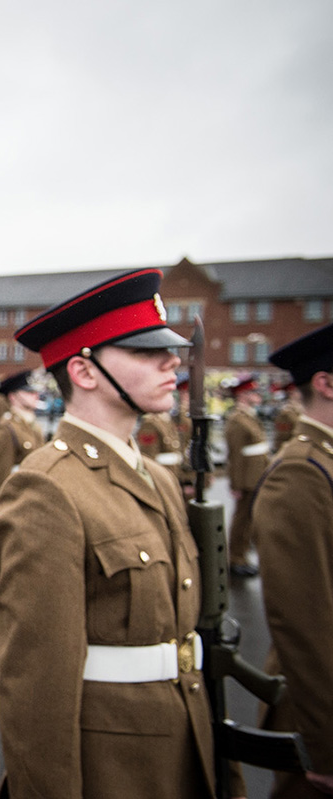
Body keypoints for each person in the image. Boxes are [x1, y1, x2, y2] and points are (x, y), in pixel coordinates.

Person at [0, 268, 235, 798]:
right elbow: (36, 692)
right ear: (85, 370)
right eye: (145, 351)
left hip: (183, 740)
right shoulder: (46, 490)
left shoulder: (161, 479)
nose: (172, 361)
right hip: (114, 765)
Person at [251, 322, 333, 799]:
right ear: (324, 383)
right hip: (319, 707)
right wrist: (324, 744)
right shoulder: (301, 473)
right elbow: (304, 621)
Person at [224, 375, 269, 578]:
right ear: (242, 395)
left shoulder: (249, 417)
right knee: (242, 519)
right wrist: (236, 484)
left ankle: (242, 555)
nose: (257, 396)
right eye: (253, 392)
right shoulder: (237, 420)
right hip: (246, 479)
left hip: (256, 475)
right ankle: (235, 558)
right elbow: (235, 455)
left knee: (250, 519)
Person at [0, 370, 43, 501]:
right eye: (29, 392)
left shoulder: (33, 425)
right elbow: (0, 477)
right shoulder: (7, 429)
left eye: (35, 392)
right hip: (18, 499)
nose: (35, 396)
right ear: (13, 397)